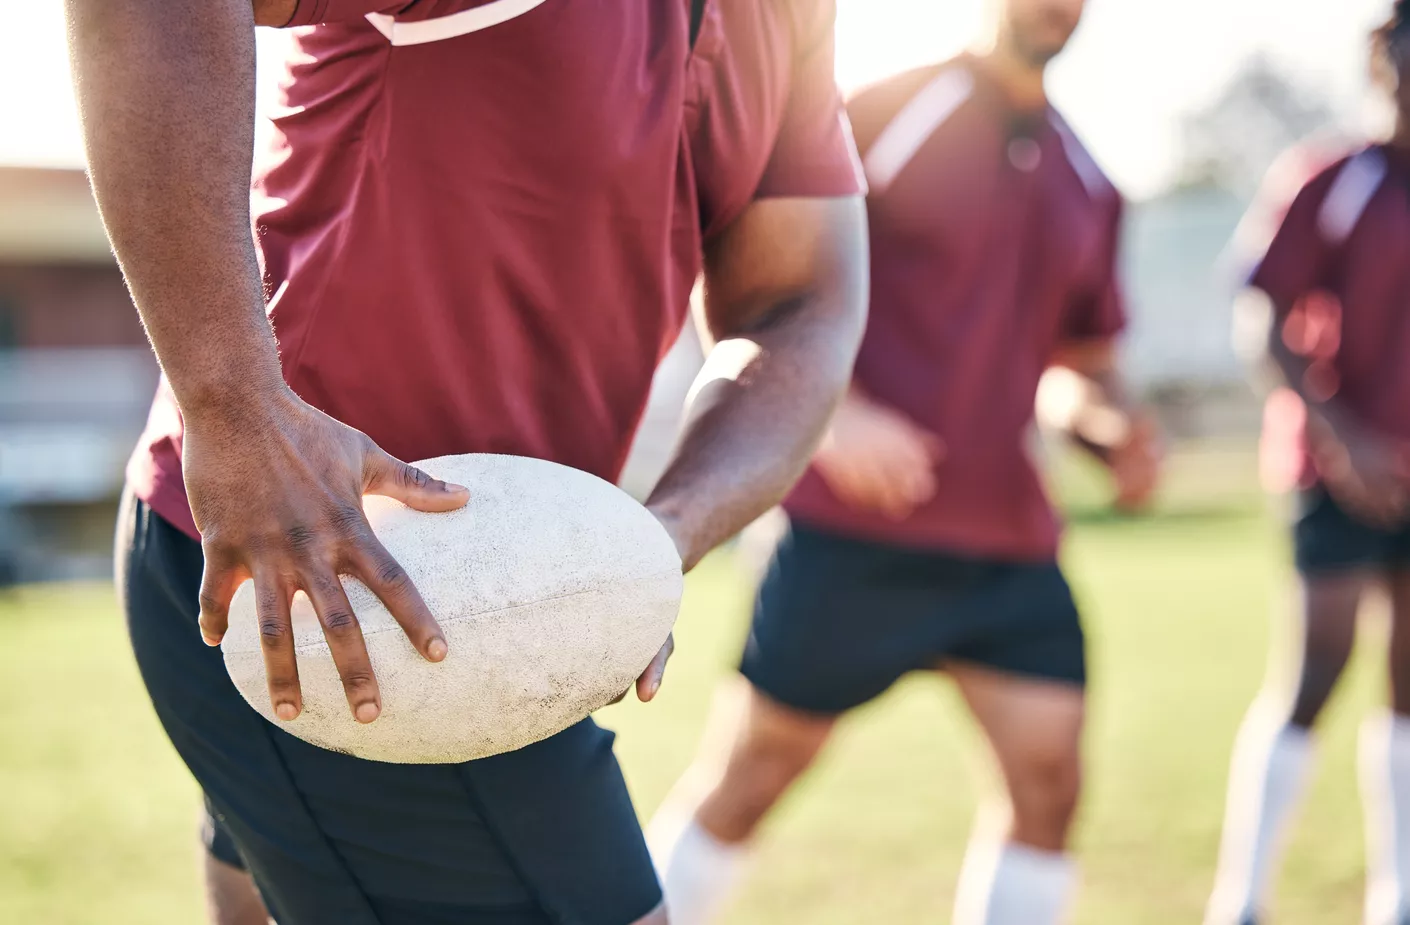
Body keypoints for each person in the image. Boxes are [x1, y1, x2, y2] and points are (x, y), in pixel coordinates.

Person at [64, 1, 868, 923]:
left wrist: (651, 544)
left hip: (490, 603)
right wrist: (234, 408)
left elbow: (799, 301)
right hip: (321, 578)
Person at [646, 1, 1160, 923]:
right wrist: (831, 416)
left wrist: (1109, 428)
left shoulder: (1091, 178)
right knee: (752, 776)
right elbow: (731, 260)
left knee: (1049, 783)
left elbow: (1078, 369)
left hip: (1008, 541)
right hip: (854, 532)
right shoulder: (878, 113)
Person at [1206, 6, 1410, 925]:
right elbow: (1261, 316)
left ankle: (1396, 896)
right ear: (1384, 55)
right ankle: (1241, 899)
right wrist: (1346, 438)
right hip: (1333, 471)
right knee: (1315, 670)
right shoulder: (1336, 175)